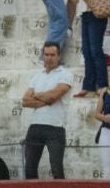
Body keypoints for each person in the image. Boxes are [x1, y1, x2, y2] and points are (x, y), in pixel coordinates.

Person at [20, 41, 73, 178]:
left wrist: (36, 96)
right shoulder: (37, 76)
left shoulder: (65, 74)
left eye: (52, 55)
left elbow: (53, 96)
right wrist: (46, 99)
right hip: (35, 125)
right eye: (47, 54)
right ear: (43, 56)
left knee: (56, 168)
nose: (49, 58)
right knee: (29, 168)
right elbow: (25, 101)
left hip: (55, 126)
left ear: (59, 56)